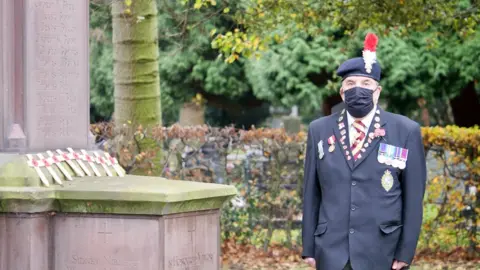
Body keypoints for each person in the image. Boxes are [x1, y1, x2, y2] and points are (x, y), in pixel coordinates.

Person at [301, 33, 427, 270]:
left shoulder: (405, 131)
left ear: (377, 91)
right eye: (350, 84)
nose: (357, 89)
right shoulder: (319, 129)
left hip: (383, 250)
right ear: (341, 92)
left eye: (365, 84)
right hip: (331, 251)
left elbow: (413, 197)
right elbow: (311, 191)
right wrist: (309, 247)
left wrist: (406, 251)